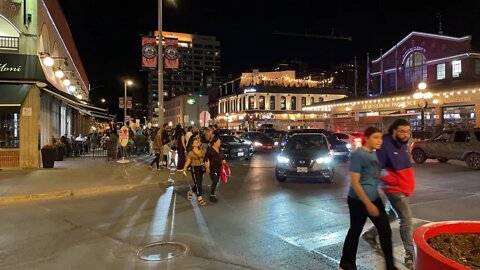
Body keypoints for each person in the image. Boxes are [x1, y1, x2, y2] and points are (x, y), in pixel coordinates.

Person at [339, 127, 397, 270]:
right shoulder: (359, 154)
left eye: (380, 138)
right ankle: (346, 265)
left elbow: (377, 175)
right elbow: (355, 182)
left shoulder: (375, 155)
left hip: (373, 198)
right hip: (358, 200)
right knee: (355, 230)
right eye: (376, 137)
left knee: (385, 230)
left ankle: (390, 266)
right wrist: (368, 204)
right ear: (367, 138)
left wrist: (393, 183)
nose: (379, 141)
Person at [361, 119, 415, 269]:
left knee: (392, 214)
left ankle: (371, 234)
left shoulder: (402, 143)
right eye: (402, 131)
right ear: (393, 131)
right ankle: (409, 255)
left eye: (407, 131)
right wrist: (394, 182)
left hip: (403, 187)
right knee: (406, 220)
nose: (405, 134)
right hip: (395, 190)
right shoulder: (384, 145)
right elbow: (378, 167)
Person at [181, 137, 207, 206]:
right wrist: (184, 169)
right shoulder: (190, 153)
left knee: (198, 183)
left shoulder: (202, 151)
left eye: (197, 142)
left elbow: (206, 160)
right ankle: (199, 198)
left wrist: (207, 167)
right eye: (195, 142)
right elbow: (188, 162)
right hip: (194, 168)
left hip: (201, 168)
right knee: (198, 183)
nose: (197, 143)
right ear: (192, 144)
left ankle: (190, 192)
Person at [204, 137, 226, 203]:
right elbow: (206, 159)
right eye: (218, 142)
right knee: (215, 181)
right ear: (214, 142)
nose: (220, 143)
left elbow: (223, 158)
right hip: (212, 168)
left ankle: (213, 191)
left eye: (220, 142)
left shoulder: (221, 150)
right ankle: (212, 195)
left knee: (217, 181)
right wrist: (207, 168)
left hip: (219, 168)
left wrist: (224, 163)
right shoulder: (210, 150)